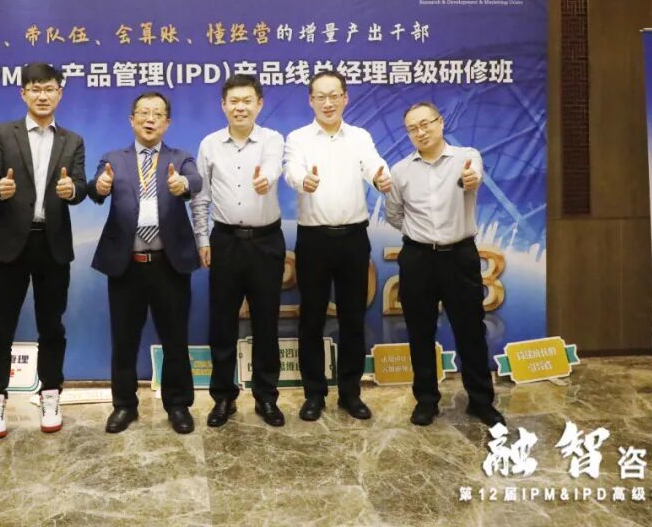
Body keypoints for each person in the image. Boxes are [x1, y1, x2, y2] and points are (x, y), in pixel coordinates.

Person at [0, 62, 87, 438]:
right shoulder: (1, 133)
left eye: (49, 89)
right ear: (23, 93)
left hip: (51, 243)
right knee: (0, 326)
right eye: (35, 89)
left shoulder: (72, 140)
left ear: (60, 93)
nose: (43, 96)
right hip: (9, 243)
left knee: (52, 326)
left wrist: (72, 191)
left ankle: (51, 394)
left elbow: (80, 185)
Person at [88, 91, 203, 435]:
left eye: (157, 114)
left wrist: (182, 184)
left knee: (175, 339)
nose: (150, 119)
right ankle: (124, 405)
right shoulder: (114, 158)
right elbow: (97, 187)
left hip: (169, 264)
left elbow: (195, 181)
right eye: (143, 113)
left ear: (167, 122)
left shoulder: (180, 157)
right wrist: (101, 185)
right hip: (127, 265)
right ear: (132, 120)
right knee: (124, 340)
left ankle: (178, 405)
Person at [385, 101, 504, 428]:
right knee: (419, 331)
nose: (420, 132)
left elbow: (473, 177)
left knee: (471, 330)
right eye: (413, 128)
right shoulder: (400, 171)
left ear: (440, 122)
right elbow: (393, 214)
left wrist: (470, 180)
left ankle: (481, 401)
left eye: (426, 124)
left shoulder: (467, 157)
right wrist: (418, 234)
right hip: (418, 258)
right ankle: (426, 401)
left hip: (459, 256)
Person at [283, 69, 391, 422]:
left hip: (353, 239)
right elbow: (291, 170)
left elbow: (373, 163)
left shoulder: (359, 136)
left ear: (345, 98)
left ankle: (350, 393)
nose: (327, 103)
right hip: (314, 240)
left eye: (334, 96)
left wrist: (380, 176)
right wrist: (303, 180)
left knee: (353, 319)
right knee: (311, 319)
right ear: (310, 100)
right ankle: (314, 394)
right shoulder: (298, 138)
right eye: (320, 96)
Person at [192, 74, 286, 428]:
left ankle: (266, 397)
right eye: (234, 101)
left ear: (259, 104)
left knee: (266, 322)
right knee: (222, 323)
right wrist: (203, 240)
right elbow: (200, 197)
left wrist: (266, 179)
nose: (240, 107)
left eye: (247, 101)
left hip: (266, 242)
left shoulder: (273, 140)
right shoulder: (210, 144)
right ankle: (223, 397)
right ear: (223, 105)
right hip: (226, 241)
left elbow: (274, 166)